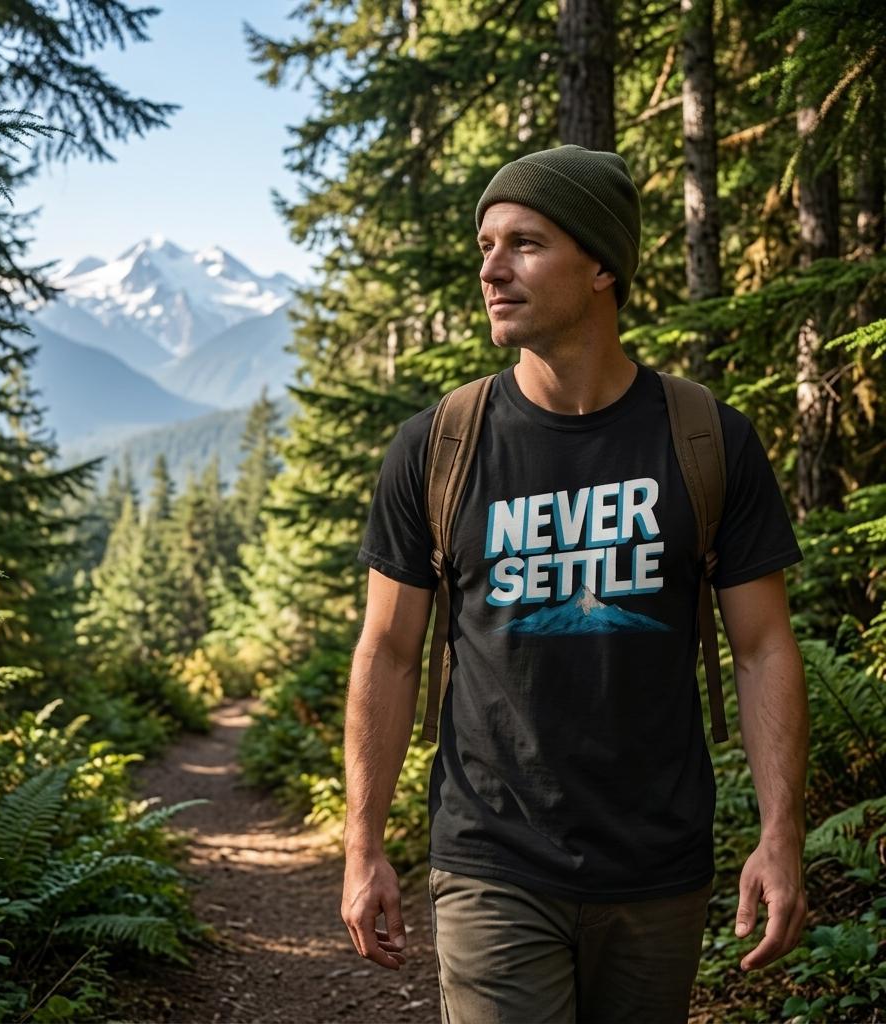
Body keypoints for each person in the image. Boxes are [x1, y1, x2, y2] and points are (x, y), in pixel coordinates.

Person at [339, 145, 810, 1023]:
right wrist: (361, 841)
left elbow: (762, 646)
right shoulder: (439, 445)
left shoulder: (707, 439)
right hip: (493, 857)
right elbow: (390, 652)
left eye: (524, 243)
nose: (490, 268)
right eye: (486, 244)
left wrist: (782, 833)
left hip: (660, 865)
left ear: (601, 265)